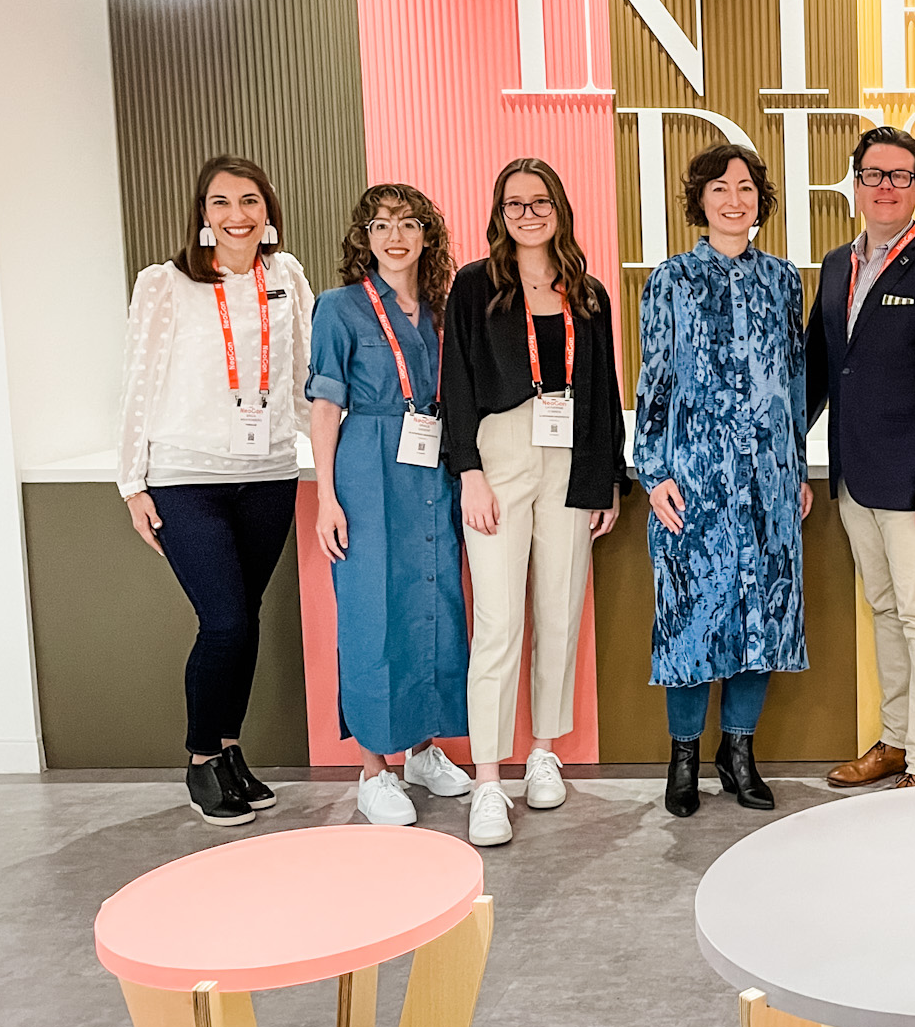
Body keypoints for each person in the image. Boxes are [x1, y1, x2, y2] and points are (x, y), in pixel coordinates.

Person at [117, 155, 313, 825]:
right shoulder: (164, 284)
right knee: (224, 620)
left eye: (250, 201)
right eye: (222, 203)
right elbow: (137, 384)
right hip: (185, 477)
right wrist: (131, 482)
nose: (238, 216)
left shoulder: (285, 275)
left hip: (269, 474)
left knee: (247, 618)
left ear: (269, 210)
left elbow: (302, 373)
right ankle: (202, 758)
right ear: (203, 214)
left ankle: (231, 751)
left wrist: (319, 451)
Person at [444, 158, 625, 846]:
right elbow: (455, 381)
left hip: (572, 453)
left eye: (540, 201)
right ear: (499, 213)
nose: (528, 213)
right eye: (515, 203)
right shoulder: (474, 286)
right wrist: (468, 471)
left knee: (560, 609)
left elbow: (604, 387)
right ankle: (488, 780)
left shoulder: (588, 291)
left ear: (560, 209)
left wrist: (607, 476)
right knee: (497, 622)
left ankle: (543, 751)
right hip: (500, 452)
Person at [637, 144, 811, 817]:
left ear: (759, 199)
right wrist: (653, 473)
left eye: (745, 187)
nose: (733, 199)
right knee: (691, 619)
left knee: (760, 615)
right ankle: (683, 757)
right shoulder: (671, 279)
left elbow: (792, 380)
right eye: (719, 188)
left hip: (767, 477)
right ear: (700, 202)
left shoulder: (783, 279)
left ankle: (739, 753)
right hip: (695, 477)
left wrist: (792, 465)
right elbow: (654, 379)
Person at [806, 126, 915, 788]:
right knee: (885, 611)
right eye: (874, 174)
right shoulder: (835, 265)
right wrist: (788, 446)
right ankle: (897, 742)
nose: (885, 187)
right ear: (855, 185)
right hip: (854, 478)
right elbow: (821, 369)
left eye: (899, 176)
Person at [307, 184, 473, 826]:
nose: (394, 237)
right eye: (380, 227)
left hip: (432, 465)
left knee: (434, 601)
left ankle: (424, 748)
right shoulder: (339, 308)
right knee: (372, 609)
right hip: (368, 467)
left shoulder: (441, 308)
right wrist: (328, 497)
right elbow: (325, 406)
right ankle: (374, 767)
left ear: (427, 235)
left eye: (407, 225)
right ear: (364, 238)